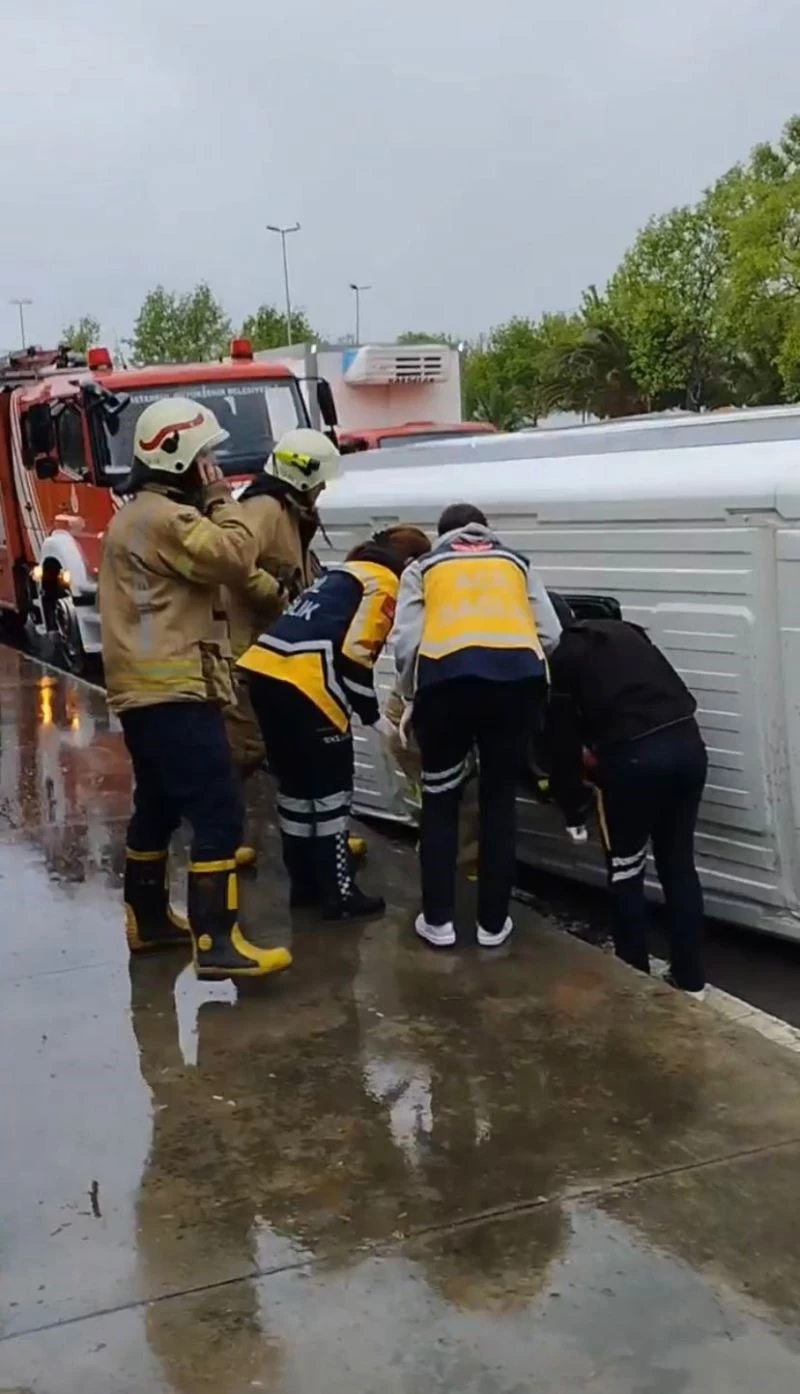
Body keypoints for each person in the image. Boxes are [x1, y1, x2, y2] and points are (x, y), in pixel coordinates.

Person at [99, 395, 291, 981]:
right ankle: (217, 941)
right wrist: (220, 498)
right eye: (205, 456)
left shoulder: (133, 516)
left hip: (144, 691)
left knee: (157, 805)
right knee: (218, 810)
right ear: (181, 457)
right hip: (174, 690)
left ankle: (150, 920)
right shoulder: (168, 518)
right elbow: (234, 556)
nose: (212, 465)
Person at [393, 502, 562, 950]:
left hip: (446, 684)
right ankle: (493, 924)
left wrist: (410, 696)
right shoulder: (516, 563)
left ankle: (439, 922)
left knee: (440, 798)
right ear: (484, 531)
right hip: (516, 685)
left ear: (442, 535)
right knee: (499, 799)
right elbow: (551, 634)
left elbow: (407, 643)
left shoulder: (424, 567)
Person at [239, 526, 430, 918]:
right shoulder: (385, 583)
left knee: (296, 791)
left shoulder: (344, 572)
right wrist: (374, 717)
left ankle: (304, 886)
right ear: (410, 563)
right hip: (308, 686)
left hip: (265, 676)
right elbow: (355, 654)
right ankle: (337, 893)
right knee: (331, 794)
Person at [546, 615, 708, 999]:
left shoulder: (563, 657)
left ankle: (634, 979)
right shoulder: (626, 633)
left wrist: (572, 806)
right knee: (678, 865)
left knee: (626, 872)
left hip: (635, 759)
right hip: (688, 745)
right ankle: (691, 981)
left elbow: (562, 744)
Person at [222, 428, 340, 869]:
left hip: (273, 654)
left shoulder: (289, 512)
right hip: (245, 652)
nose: (323, 488)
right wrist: (275, 594)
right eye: (319, 480)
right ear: (301, 476)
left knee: (282, 745)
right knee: (243, 748)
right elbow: (234, 563)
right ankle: (217, 842)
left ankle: (314, 837)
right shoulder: (264, 510)